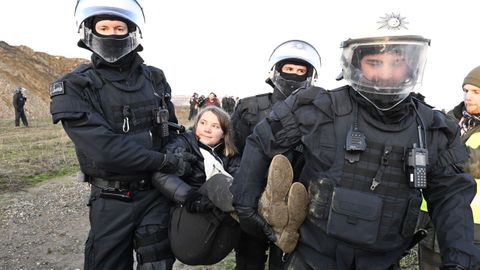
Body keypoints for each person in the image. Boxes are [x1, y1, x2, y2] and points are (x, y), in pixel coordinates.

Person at [230, 14, 480, 270]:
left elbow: (451, 199)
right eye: (375, 62)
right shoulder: (319, 107)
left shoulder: (432, 128)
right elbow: (262, 140)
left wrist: (460, 261)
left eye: (397, 62)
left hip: (383, 262)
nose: (386, 73)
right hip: (311, 258)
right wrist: (246, 202)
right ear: (356, 63)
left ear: (413, 65)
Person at [49, 1, 193, 269]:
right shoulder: (74, 85)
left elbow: (172, 129)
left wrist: (178, 151)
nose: (112, 34)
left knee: (158, 263)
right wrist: (163, 162)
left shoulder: (155, 78)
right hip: (111, 200)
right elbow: (105, 149)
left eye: (119, 27)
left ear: (132, 31)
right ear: (90, 32)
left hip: (156, 195)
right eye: (104, 28)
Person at [230, 39, 321, 270]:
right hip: (252, 198)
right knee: (249, 260)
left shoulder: (317, 114)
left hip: (293, 207)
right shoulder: (249, 107)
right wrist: (245, 191)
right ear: (276, 71)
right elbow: (234, 150)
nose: (294, 76)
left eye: (301, 71)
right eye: (289, 69)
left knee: (283, 262)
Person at [152, 106, 241, 265]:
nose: (207, 129)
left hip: (218, 240)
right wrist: (191, 197)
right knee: (219, 181)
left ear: (224, 133)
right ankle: (263, 211)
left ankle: (276, 225)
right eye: (203, 123)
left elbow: (240, 178)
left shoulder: (230, 154)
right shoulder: (182, 143)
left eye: (215, 126)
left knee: (240, 183)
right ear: (196, 124)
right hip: (189, 230)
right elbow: (160, 175)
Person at [417, 65, 480, 269]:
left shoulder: (444, 128)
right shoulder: (450, 121)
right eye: (466, 90)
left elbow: (476, 163)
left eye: (476, 92)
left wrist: (440, 152)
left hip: (472, 228)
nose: (468, 96)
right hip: (432, 218)